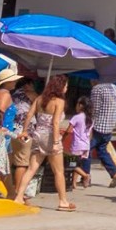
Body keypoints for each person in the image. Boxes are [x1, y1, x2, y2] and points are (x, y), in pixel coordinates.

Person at [30, 76, 76, 210]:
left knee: (32, 168)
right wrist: (56, 142)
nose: (67, 88)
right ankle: (63, 201)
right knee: (59, 171)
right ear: (60, 86)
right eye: (66, 85)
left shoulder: (40, 99)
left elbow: (29, 115)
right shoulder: (59, 101)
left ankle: (19, 196)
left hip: (38, 134)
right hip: (50, 137)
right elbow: (55, 122)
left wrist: (26, 131)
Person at [89, 77, 116, 186]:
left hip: (98, 126)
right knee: (102, 151)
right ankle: (115, 172)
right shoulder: (114, 88)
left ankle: (85, 176)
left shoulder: (97, 89)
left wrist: (89, 123)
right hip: (109, 126)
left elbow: (94, 109)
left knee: (86, 151)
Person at [67, 97, 93, 190]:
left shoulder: (76, 117)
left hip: (77, 145)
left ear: (81, 105)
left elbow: (69, 130)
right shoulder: (89, 119)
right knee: (77, 164)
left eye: (77, 104)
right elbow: (90, 134)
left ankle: (85, 175)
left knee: (72, 164)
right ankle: (74, 183)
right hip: (86, 145)